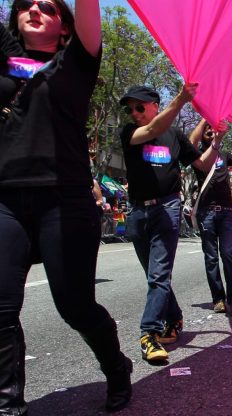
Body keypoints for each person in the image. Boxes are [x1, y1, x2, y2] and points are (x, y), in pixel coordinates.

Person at [0, 1, 134, 412]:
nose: (34, 9)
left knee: (75, 306)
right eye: (26, 4)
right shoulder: (6, 58)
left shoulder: (77, 61)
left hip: (66, 199)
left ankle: (116, 368)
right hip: (5, 199)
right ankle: (8, 405)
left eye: (47, 6)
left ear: (64, 26)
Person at [120, 84, 223, 365]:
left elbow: (201, 165)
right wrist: (180, 100)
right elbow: (151, 130)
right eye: (130, 109)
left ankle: (148, 333)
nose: (134, 113)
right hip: (138, 212)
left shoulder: (175, 136)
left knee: (158, 276)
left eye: (139, 107)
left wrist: (218, 142)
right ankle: (174, 316)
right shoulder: (130, 132)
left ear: (154, 104)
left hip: (167, 208)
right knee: (154, 275)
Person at [190, 120, 232, 317]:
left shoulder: (224, 156)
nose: (210, 130)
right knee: (211, 258)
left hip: (226, 213)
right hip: (206, 213)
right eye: (206, 128)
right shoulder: (197, 155)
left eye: (212, 127)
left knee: (227, 254)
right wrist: (205, 118)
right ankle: (218, 299)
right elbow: (191, 142)